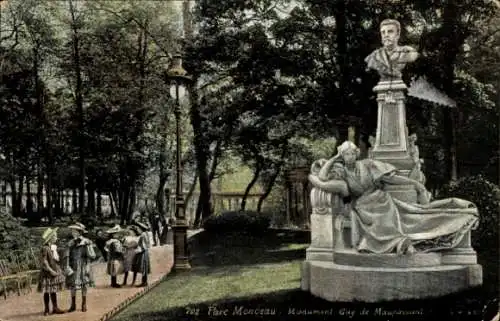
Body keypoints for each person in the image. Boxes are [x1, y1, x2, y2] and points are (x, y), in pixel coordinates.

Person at [308, 141, 479, 255]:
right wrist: (334, 158)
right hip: (363, 206)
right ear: (342, 156)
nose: (350, 157)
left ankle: (403, 240)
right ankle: (400, 242)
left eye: (352, 153)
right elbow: (322, 177)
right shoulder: (341, 171)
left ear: (357, 154)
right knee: (382, 218)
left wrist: (414, 183)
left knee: (411, 214)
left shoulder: (368, 164)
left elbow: (390, 179)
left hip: (381, 199)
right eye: (346, 154)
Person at [65, 222, 96, 313]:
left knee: (84, 284)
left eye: (74, 231)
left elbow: (92, 256)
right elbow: (67, 255)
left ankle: (84, 303)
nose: (72, 232)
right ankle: (73, 304)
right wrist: (67, 265)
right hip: (73, 265)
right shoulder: (70, 242)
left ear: (79, 232)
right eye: (72, 231)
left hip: (83, 265)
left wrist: (88, 246)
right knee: (73, 285)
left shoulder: (86, 242)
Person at [37, 227, 66, 316]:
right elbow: (44, 262)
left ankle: (55, 307)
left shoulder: (51, 247)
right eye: (55, 236)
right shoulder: (45, 248)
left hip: (53, 270)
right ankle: (46, 309)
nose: (56, 238)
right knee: (47, 290)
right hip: (47, 273)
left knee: (53, 290)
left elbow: (55, 259)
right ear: (51, 238)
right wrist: (51, 271)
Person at [131, 221, 151, 287]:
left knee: (143, 266)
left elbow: (142, 245)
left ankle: (144, 282)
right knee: (145, 266)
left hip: (143, 252)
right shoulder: (146, 234)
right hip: (145, 251)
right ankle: (144, 281)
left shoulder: (142, 235)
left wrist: (136, 248)